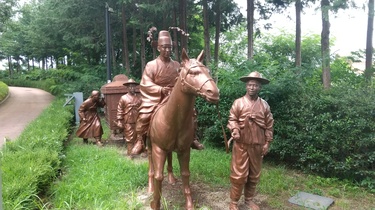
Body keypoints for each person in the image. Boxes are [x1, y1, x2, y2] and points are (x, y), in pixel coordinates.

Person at [132, 30, 203, 155]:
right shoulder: (151, 65)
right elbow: (145, 82)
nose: (167, 50)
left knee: (191, 113)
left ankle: (193, 138)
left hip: (174, 96)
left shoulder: (176, 65)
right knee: (144, 115)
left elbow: (183, 80)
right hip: (156, 96)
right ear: (158, 48)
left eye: (170, 47)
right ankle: (140, 140)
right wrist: (160, 89)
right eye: (164, 47)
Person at [227, 71, 274, 210]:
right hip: (241, 145)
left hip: (257, 145)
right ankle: (234, 202)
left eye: (255, 85)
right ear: (246, 86)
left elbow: (269, 124)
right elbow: (232, 119)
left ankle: (248, 200)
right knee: (238, 175)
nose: (252, 87)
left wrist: (267, 142)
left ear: (260, 88)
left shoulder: (264, 105)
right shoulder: (238, 103)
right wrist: (234, 130)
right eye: (250, 85)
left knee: (254, 175)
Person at [116, 79, 142, 155]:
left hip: (138, 120)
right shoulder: (123, 98)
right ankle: (130, 152)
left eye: (133, 87)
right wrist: (119, 120)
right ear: (127, 88)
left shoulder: (139, 98)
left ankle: (138, 151)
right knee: (130, 136)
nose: (132, 88)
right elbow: (120, 109)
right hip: (128, 120)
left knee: (139, 136)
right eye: (130, 87)